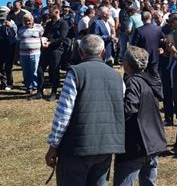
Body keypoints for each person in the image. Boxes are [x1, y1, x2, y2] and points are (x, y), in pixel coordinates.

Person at [45, 34, 125, 186]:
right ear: (102, 52)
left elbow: (64, 113)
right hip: (106, 145)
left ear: (81, 52)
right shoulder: (117, 76)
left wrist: (53, 145)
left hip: (76, 147)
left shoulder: (75, 73)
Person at [113, 46, 166, 186]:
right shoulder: (149, 80)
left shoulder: (133, 82)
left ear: (127, 64)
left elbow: (129, 108)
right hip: (153, 141)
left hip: (137, 144)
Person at [39, 5, 70, 101]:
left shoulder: (63, 23)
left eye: (50, 12)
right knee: (40, 69)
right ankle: (39, 92)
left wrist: (50, 42)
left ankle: (53, 93)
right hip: (46, 49)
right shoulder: (49, 24)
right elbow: (45, 35)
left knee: (55, 71)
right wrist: (43, 40)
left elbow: (62, 37)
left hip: (57, 50)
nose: (48, 13)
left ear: (56, 12)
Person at [18, 13, 44, 96]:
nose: (27, 22)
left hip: (35, 53)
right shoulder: (21, 29)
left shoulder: (39, 27)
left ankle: (35, 87)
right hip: (23, 54)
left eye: (29, 21)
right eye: (25, 21)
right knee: (26, 71)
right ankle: (28, 87)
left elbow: (43, 38)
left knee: (34, 70)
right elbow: (18, 40)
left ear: (32, 20)